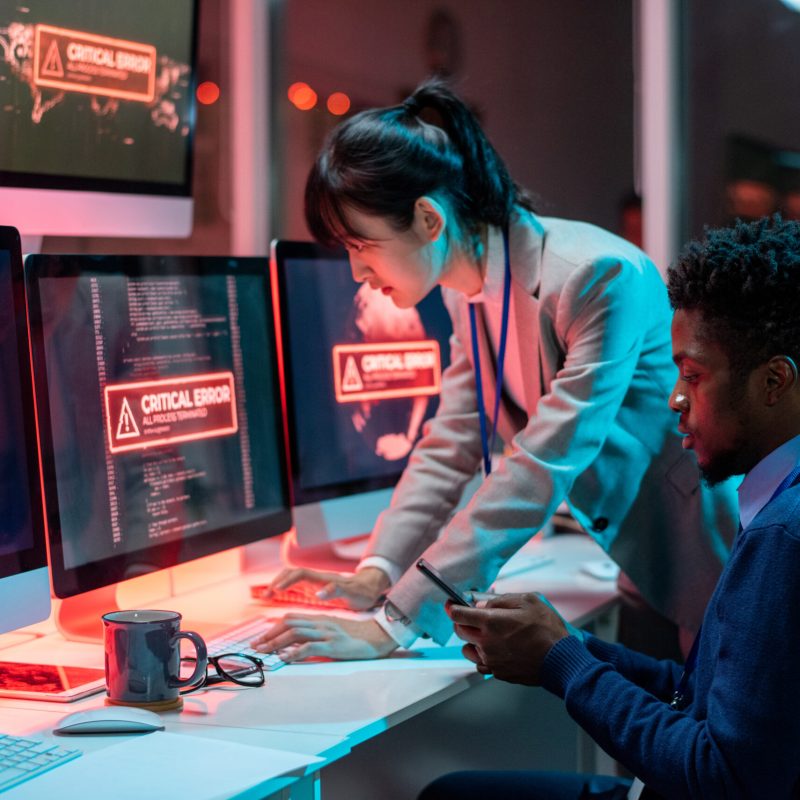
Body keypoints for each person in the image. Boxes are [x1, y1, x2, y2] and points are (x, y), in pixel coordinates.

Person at [252, 78, 737, 662]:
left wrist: (394, 623)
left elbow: (543, 457)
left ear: (429, 220)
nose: (357, 272)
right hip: (631, 552)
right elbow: (453, 437)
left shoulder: (593, 277)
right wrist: (378, 569)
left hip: (705, 551)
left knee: (707, 738)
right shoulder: (470, 288)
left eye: (361, 246)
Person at [424, 215, 800, 799]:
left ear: (774, 381)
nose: (674, 398)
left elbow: (721, 775)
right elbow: (700, 700)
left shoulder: (784, 537)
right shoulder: (778, 506)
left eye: (693, 375)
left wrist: (561, 661)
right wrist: (567, 650)